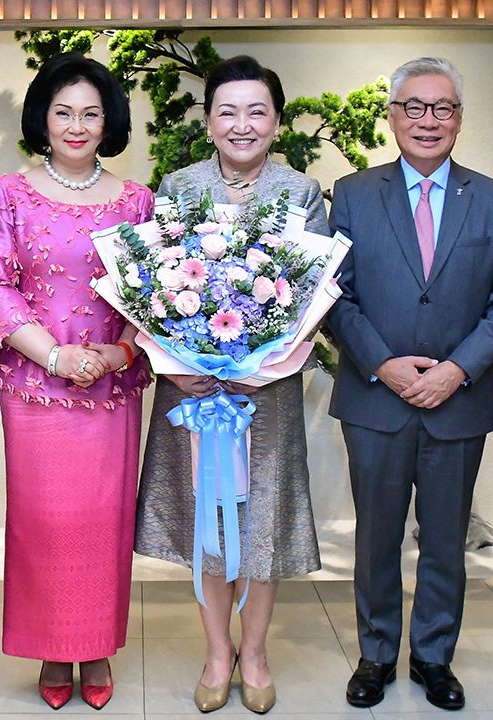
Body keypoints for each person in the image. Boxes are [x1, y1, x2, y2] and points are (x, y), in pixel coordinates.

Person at [327, 57, 493, 711]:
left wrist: (456, 369)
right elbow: (334, 294)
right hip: (374, 396)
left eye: (442, 108)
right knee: (376, 534)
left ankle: (435, 657)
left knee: (446, 539)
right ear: (392, 116)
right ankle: (377, 653)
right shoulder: (353, 194)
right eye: (414, 106)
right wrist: (383, 364)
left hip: (458, 400)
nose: (428, 120)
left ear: (459, 119)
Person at [134, 55, 326, 715]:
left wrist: (256, 363)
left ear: (275, 122)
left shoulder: (301, 194)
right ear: (209, 122)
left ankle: (256, 653)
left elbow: (310, 299)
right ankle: (217, 652)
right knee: (208, 523)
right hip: (192, 391)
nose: (242, 124)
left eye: (257, 111)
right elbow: (148, 289)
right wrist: (175, 359)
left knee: (261, 524)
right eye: (228, 111)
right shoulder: (178, 187)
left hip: (265, 394)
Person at [0, 53, 152, 711]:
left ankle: (97, 642)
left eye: (91, 113)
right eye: (63, 112)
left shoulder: (137, 201)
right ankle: (53, 647)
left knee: (104, 522)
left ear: (110, 123)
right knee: (45, 523)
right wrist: (54, 356)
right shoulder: (11, 193)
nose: (77, 126)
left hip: (109, 392)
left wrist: (117, 353)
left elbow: (157, 296)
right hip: (37, 389)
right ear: (42, 119)